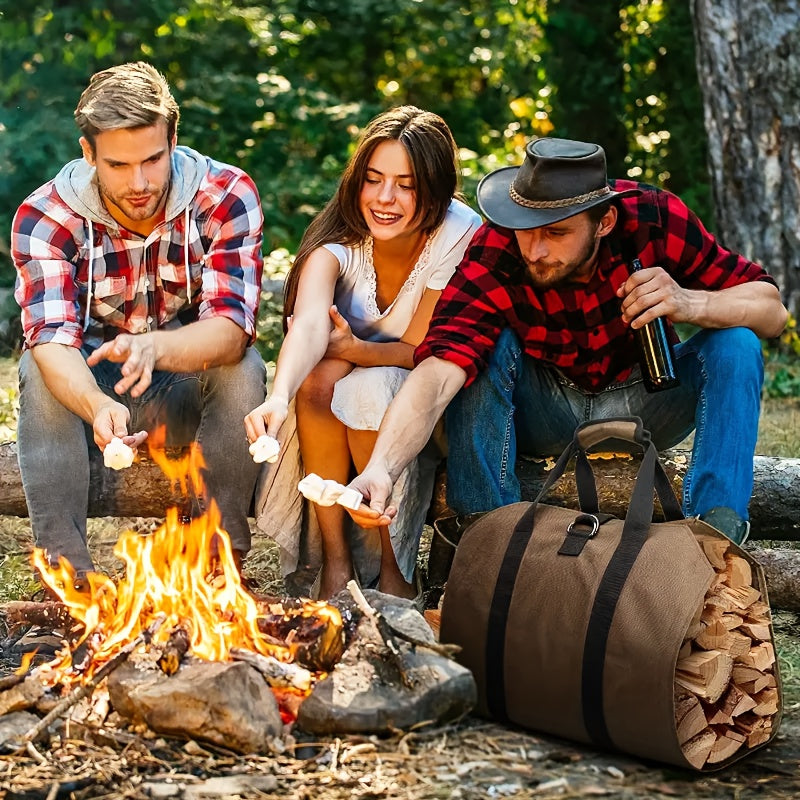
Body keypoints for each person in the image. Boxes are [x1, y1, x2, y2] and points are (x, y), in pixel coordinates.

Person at [347, 137, 788, 546]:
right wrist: (381, 469)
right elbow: (439, 370)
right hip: (544, 408)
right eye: (526, 229)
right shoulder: (497, 247)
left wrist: (689, 302)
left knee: (736, 344)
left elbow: (772, 312)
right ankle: (486, 535)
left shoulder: (653, 218)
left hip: (649, 398)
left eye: (556, 233)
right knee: (477, 353)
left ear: (605, 221)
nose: (534, 250)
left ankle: (715, 538)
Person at [12, 62, 266, 584]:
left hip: (184, 378)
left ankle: (220, 561)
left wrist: (155, 348)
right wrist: (95, 402)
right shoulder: (45, 216)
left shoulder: (225, 196)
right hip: (92, 386)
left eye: (153, 159)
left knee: (244, 368)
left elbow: (231, 329)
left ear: (174, 138)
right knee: (38, 374)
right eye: (119, 165)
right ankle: (67, 579)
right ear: (88, 154)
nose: (140, 182)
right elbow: (52, 342)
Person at [244, 106, 481, 600]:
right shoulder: (339, 240)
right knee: (317, 380)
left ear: (434, 189)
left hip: (426, 399)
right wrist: (278, 395)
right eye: (373, 180)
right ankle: (336, 562)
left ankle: (395, 571)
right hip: (343, 389)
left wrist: (353, 348)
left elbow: (420, 350)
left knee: (362, 385)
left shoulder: (457, 232)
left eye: (406, 184)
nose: (385, 198)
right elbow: (309, 324)